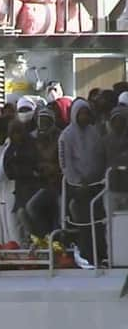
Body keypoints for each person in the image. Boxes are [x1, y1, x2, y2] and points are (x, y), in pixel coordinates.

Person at [59, 98, 105, 263]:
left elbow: (100, 157)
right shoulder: (66, 136)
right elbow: (65, 163)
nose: (84, 117)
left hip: (96, 184)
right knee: (85, 221)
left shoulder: (95, 133)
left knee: (99, 221)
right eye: (81, 114)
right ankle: (88, 254)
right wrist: (79, 181)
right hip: (77, 187)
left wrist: (95, 177)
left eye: (87, 113)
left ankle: (102, 253)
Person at [26, 109, 62, 238]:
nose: (43, 125)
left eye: (46, 121)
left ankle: (59, 242)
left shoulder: (60, 137)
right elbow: (32, 162)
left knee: (60, 212)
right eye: (41, 122)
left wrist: (54, 168)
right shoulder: (34, 139)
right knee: (32, 207)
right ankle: (46, 238)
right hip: (42, 184)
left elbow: (64, 161)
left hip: (60, 184)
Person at [3, 120, 39, 246]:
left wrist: (22, 168)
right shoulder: (11, 148)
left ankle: (36, 239)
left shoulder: (32, 144)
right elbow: (8, 170)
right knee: (21, 214)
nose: (17, 136)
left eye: (19, 132)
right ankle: (28, 241)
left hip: (35, 186)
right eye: (14, 133)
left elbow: (34, 165)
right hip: (21, 187)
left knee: (30, 211)